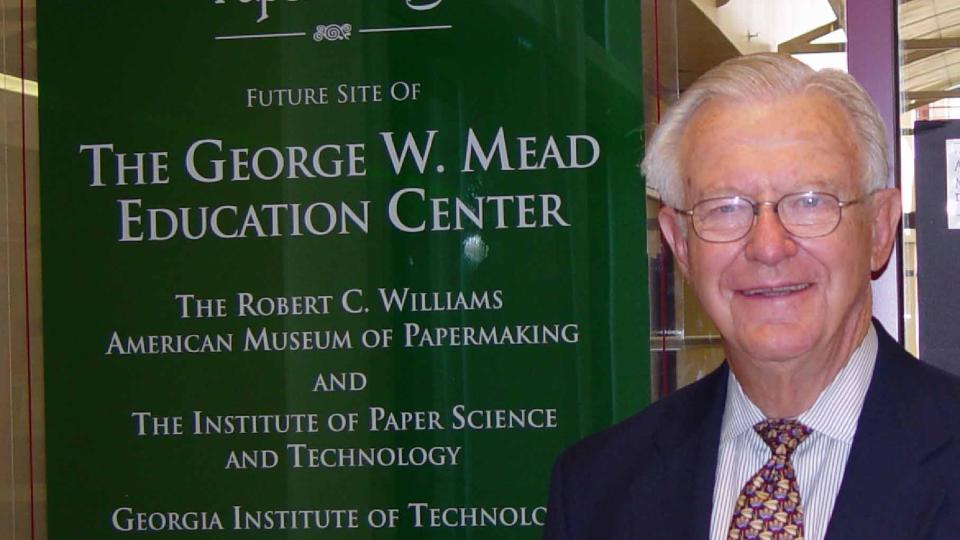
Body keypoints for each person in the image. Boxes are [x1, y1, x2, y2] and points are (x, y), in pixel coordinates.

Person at [544, 53, 960, 540]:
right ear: (680, 245)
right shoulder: (595, 490)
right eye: (725, 208)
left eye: (810, 201)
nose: (767, 246)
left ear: (880, 229)